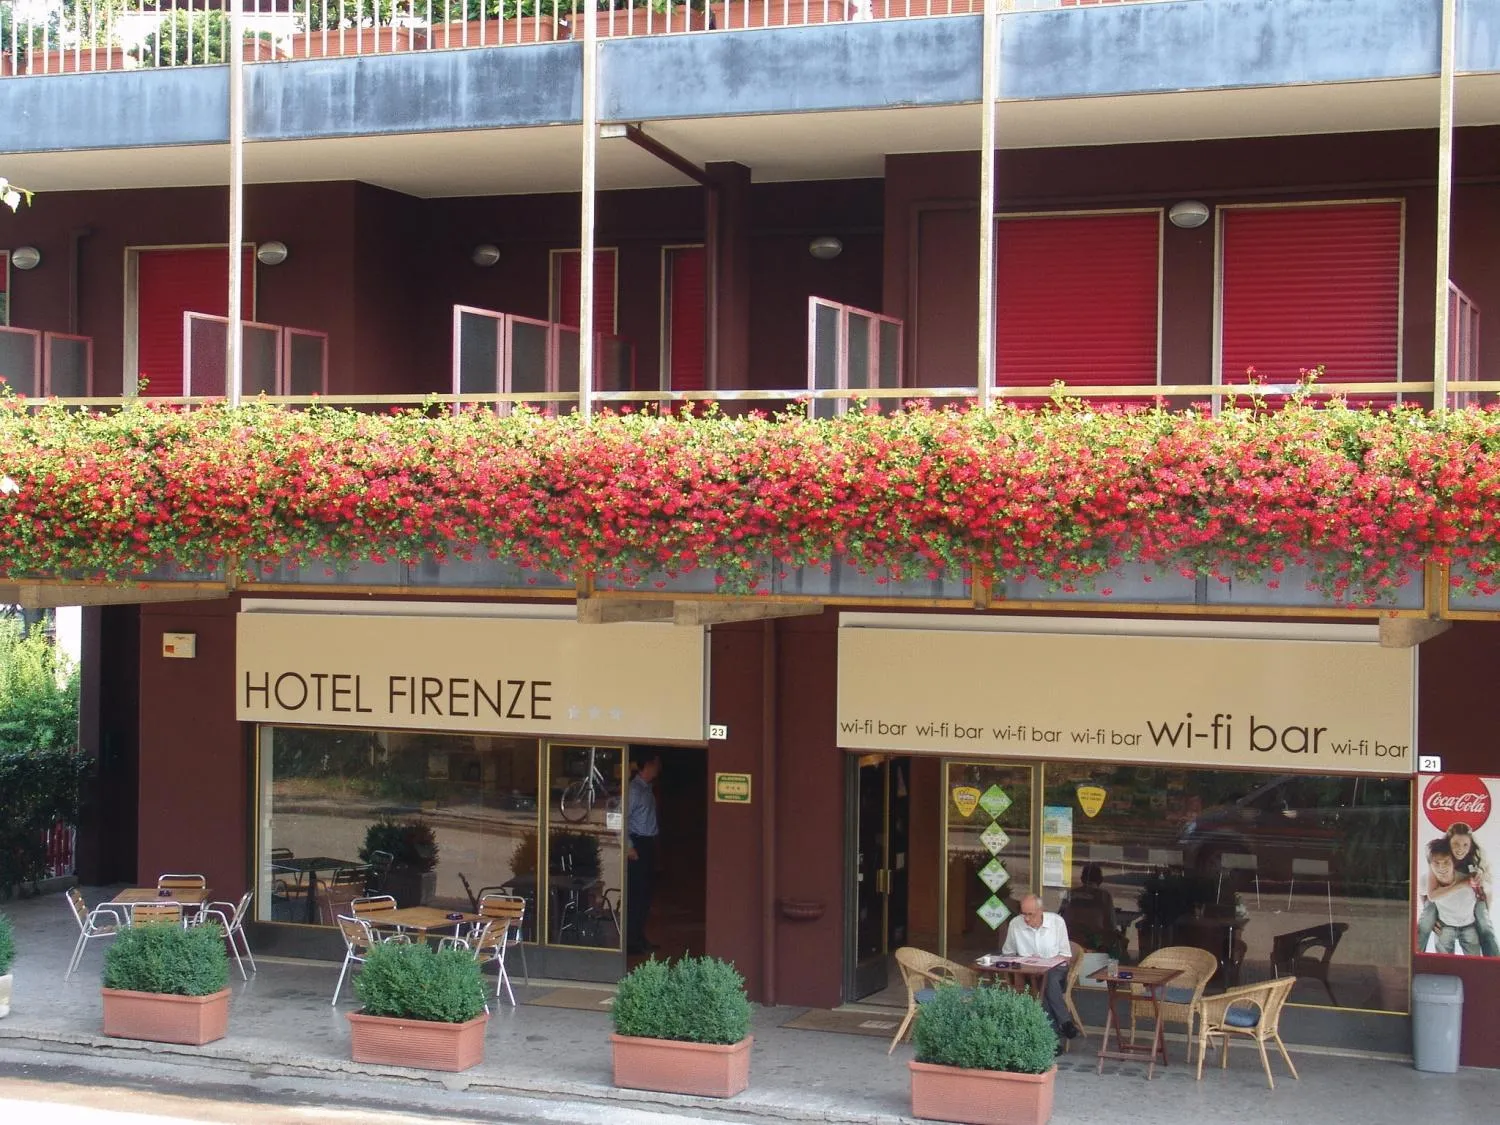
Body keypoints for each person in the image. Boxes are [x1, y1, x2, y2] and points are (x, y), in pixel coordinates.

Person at [1000, 894, 1079, 1046]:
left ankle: (1053, 1039)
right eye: (1024, 914)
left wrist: (1046, 963)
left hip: (1056, 970)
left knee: (1046, 980)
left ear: (1041, 910)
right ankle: (1064, 1023)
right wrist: (1024, 961)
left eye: (1031, 914)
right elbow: (1008, 952)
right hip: (1029, 972)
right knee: (1041, 986)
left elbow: (1065, 955)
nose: (1027, 919)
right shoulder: (1015, 924)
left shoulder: (1056, 922)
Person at [1418, 838, 1485, 956]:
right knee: (1444, 965)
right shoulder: (1426, 881)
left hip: (1468, 926)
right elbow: (1424, 895)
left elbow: (1483, 898)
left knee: (1475, 965)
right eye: (1436, 863)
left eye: (1446, 862)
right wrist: (1431, 918)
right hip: (1445, 927)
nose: (1441, 867)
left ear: (1454, 862)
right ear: (1430, 866)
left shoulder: (1468, 879)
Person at [625, 751, 662, 956]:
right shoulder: (633, 790)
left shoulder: (646, 789)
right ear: (648, 765)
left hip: (648, 843)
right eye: (656, 764)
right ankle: (631, 941)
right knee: (637, 895)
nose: (658, 769)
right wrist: (629, 846)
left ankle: (639, 936)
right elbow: (621, 819)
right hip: (637, 844)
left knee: (646, 895)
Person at [1060, 863, 1123, 956]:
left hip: (1070, 941)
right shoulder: (1104, 896)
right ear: (1100, 880)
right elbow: (1111, 924)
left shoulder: (1071, 894)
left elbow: (1062, 917)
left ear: (1082, 878)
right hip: (1094, 944)